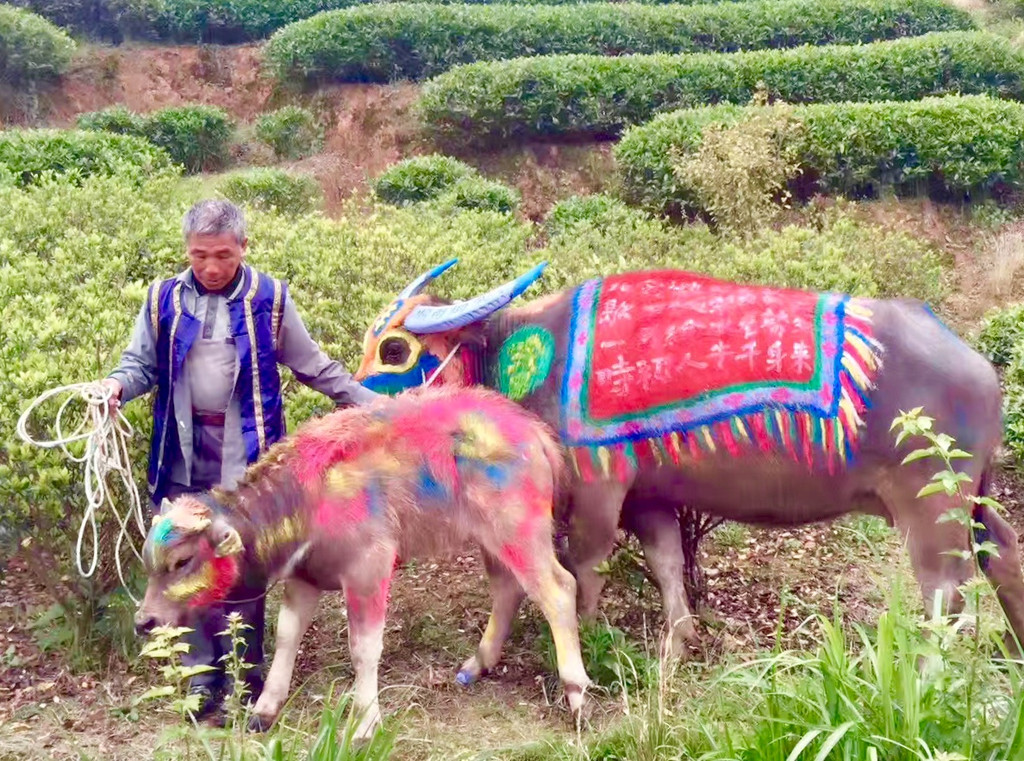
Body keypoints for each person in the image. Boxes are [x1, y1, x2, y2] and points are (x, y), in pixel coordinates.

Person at [102, 199, 378, 722]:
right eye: (200, 255)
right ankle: (201, 683)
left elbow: (310, 363)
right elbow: (139, 364)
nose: (211, 267)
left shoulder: (268, 298)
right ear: (186, 251)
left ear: (243, 248)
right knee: (183, 565)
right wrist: (116, 385)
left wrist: (369, 404)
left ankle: (248, 679)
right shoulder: (162, 298)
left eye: (223, 255)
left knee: (243, 567)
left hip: (246, 464)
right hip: (181, 455)